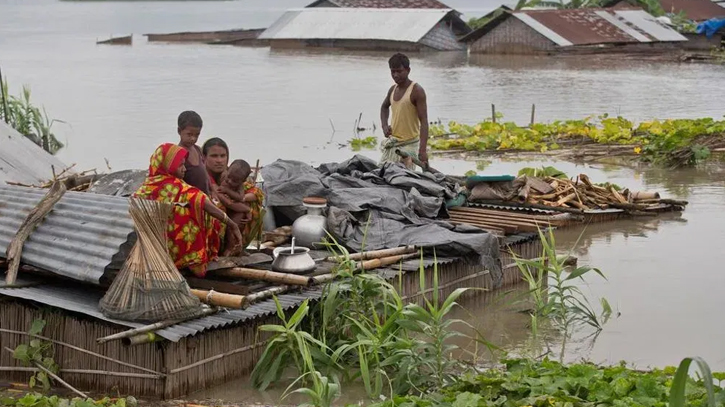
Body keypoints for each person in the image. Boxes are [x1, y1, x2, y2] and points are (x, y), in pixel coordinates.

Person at [133, 143, 242, 278]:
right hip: (175, 248)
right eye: (181, 165)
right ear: (169, 166)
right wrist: (232, 224)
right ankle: (194, 261)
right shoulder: (176, 187)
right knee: (201, 214)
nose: (184, 169)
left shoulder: (145, 187)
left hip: (153, 247)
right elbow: (203, 201)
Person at [379, 53, 429, 170]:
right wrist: (384, 125)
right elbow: (384, 107)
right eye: (393, 72)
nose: (395, 75)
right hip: (394, 144)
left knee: (401, 177)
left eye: (399, 71)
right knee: (381, 174)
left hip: (409, 145)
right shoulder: (392, 90)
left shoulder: (416, 91)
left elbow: (424, 122)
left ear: (408, 70)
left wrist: (422, 150)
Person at [217, 159, 265, 250]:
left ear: (242, 181)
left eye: (235, 181)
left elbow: (240, 197)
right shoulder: (223, 177)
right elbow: (227, 202)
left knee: (232, 229)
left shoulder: (240, 187)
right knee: (226, 230)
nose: (230, 181)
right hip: (225, 207)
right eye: (229, 177)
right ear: (227, 169)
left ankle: (231, 248)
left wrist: (227, 191)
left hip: (236, 209)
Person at [177, 111, 211, 196]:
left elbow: (205, 173)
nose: (193, 138)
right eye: (189, 134)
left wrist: (212, 190)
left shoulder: (198, 149)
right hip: (191, 198)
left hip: (205, 196)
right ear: (179, 131)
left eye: (197, 135)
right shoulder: (178, 154)